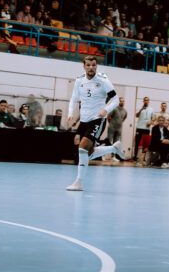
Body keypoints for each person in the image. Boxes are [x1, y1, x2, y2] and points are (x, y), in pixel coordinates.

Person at [66, 56, 125, 191]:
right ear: (84, 66)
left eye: (93, 65)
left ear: (96, 66)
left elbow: (115, 100)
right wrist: (70, 113)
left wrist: (106, 110)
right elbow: (74, 98)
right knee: (89, 153)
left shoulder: (103, 80)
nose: (91, 67)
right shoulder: (79, 80)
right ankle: (113, 148)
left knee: (82, 148)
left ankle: (79, 182)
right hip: (84, 121)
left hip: (97, 119)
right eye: (88, 65)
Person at [134, 96, 154, 161]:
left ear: (148, 101)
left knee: (145, 144)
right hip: (139, 127)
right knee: (137, 143)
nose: (146, 101)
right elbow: (136, 115)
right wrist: (141, 109)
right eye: (145, 100)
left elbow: (153, 119)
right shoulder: (139, 107)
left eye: (147, 100)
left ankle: (144, 157)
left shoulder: (151, 109)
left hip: (146, 129)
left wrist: (150, 122)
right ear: (143, 101)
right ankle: (135, 156)